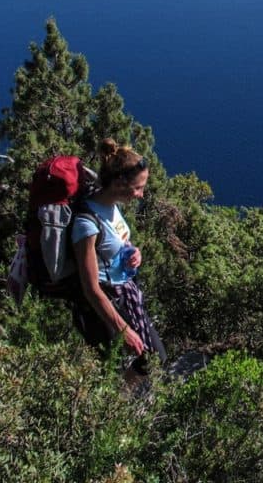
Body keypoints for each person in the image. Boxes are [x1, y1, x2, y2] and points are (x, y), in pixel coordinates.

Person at [70, 138, 166, 386]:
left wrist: (135, 252)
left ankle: (116, 405)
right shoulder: (86, 224)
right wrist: (123, 329)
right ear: (120, 182)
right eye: (138, 188)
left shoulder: (111, 205)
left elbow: (117, 243)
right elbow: (90, 288)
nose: (141, 194)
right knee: (109, 370)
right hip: (105, 303)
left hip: (125, 293)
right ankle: (108, 409)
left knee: (153, 358)